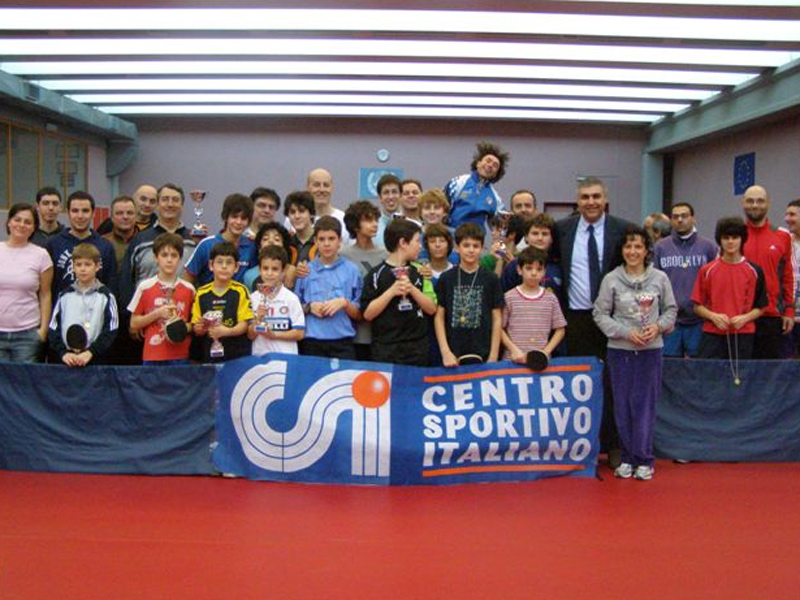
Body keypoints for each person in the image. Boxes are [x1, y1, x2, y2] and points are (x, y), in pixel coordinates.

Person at [554, 177, 635, 467]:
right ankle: (579, 446)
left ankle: (614, 445)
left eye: (596, 196)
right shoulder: (562, 229)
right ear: (577, 201)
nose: (591, 202)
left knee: (614, 384)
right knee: (579, 384)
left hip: (613, 318)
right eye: (585, 197)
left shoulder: (623, 229)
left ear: (605, 199)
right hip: (575, 319)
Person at [593, 225, 677, 481]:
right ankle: (627, 458)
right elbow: (599, 314)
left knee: (644, 406)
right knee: (622, 405)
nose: (633, 251)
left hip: (651, 352)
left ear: (646, 250)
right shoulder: (611, 279)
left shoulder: (660, 278)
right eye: (628, 246)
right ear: (621, 250)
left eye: (638, 246)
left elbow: (671, 310)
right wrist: (624, 332)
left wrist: (658, 327)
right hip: (620, 352)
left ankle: (644, 459)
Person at [362, 219, 437, 366]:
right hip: (386, 350)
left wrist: (412, 289)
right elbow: (367, 314)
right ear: (403, 243)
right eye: (417, 241)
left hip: (417, 349)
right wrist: (391, 292)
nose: (420, 246)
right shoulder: (375, 274)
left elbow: (431, 309)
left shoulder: (421, 271)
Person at [692, 217, 767, 360]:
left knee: (740, 373)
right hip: (713, 333)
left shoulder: (754, 271)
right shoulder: (707, 270)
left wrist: (745, 318)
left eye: (735, 237)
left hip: (743, 334)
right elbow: (697, 306)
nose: (730, 242)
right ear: (719, 240)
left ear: (742, 239)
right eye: (726, 238)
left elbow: (761, 306)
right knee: (712, 373)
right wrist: (713, 316)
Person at [652, 202, 718, 357]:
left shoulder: (708, 247)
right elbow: (654, 283)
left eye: (684, 216)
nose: (680, 220)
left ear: (693, 219)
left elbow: (715, 283)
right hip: (670, 320)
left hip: (699, 320)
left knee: (697, 364)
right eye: (675, 217)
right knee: (670, 364)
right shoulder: (660, 247)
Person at [434, 223, 503, 367]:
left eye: (475, 246)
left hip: (484, 353)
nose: (471, 250)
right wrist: (445, 352)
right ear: (457, 248)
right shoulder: (446, 278)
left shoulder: (491, 279)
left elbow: (497, 318)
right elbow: (439, 317)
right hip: (453, 354)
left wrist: (493, 355)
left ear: (482, 248)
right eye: (466, 245)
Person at [295, 216, 362, 359]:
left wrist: (345, 303)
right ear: (315, 242)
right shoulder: (305, 271)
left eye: (331, 239)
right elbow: (293, 307)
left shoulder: (352, 270)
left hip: (342, 341)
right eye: (322, 239)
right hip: (312, 341)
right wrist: (309, 307)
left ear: (340, 241)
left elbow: (360, 314)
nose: (326, 244)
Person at [740, 184, 795, 359]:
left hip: (771, 316)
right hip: (740, 316)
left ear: (768, 203)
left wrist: (789, 310)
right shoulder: (735, 236)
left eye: (760, 201)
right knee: (740, 370)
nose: (755, 205)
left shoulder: (782, 237)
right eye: (750, 201)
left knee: (768, 371)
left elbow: (787, 276)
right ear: (743, 203)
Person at [128, 233, 195, 365]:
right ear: (155, 257)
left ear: (180, 258)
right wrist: (157, 314)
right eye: (164, 255)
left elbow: (194, 324)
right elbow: (134, 323)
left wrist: (179, 326)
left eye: (174, 255)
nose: (169, 260)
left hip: (180, 355)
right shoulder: (145, 287)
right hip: (152, 355)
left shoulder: (189, 289)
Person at [48, 243, 119, 367]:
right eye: (78, 264)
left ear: (97, 266)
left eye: (87, 264)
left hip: (96, 360)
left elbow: (111, 329)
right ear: (73, 267)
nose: (82, 269)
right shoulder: (64, 296)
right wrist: (63, 353)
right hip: (68, 360)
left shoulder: (106, 296)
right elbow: (53, 328)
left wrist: (91, 352)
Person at [0, 203, 53, 362]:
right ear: (9, 222)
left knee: (24, 378)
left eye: (28, 222)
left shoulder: (41, 255)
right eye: (17, 220)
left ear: (34, 228)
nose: (22, 225)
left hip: (27, 335)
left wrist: (43, 330)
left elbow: (45, 294)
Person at [47, 190, 116, 302]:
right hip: (63, 309)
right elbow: (47, 288)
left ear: (93, 213)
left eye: (85, 211)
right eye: (75, 211)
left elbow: (111, 285)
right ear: (68, 213)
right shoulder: (53, 244)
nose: (80, 216)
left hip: (96, 309)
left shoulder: (105, 246)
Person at [191, 241, 254, 363]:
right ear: (211, 265)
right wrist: (200, 328)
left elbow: (244, 324)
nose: (224, 266)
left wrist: (227, 331)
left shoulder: (241, 291)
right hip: (209, 355)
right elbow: (196, 327)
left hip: (236, 355)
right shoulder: (201, 293)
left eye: (229, 262)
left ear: (236, 267)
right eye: (219, 262)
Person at [501, 246, 566, 363]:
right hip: (512, 360)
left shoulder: (551, 299)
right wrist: (513, 350)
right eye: (529, 268)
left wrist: (545, 352)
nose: (534, 273)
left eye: (539, 269)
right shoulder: (509, 297)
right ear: (519, 270)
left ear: (544, 271)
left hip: (540, 362)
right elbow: (499, 328)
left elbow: (560, 329)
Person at [341, 200, 388, 361]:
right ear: (355, 226)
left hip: (379, 333)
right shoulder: (343, 255)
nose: (374, 224)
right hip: (351, 333)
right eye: (368, 220)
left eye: (375, 219)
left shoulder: (386, 255)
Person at [184, 193, 256, 287]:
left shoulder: (251, 246)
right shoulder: (206, 245)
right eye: (234, 217)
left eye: (243, 218)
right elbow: (187, 279)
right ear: (226, 217)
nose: (238, 222)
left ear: (249, 221)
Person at [248, 245, 305, 356]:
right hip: (260, 357)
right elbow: (250, 335)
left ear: (283, 271)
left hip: (286, 357)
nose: (269, 273)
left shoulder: (291, 298)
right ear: (259, 270)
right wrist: (257, 319)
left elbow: (299, 333)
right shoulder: (253, 298)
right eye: (265, 268)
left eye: (275, 269)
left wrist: (274, 335)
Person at [445, 141, 508, 231]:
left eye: (495, 165)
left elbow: (501, 227)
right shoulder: (458, 182)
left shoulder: (495, 198)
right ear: (478, 163)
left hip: (476, 238)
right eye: (488, 161)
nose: (490, 165)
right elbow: (441, 208)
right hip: (452, 234)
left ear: (495, 174)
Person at [501, 213, 563, 301]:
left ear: (552, 238)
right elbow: (503, 297)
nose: (540, 238)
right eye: (535, 233)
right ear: (526, 237)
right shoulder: (514, 266)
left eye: (545, 234)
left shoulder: (559, 266)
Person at [243, 222, 297, 290]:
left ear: (284, 247)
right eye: (265, 239)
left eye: (277, 239)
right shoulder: (249, 275)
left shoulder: (292, 271)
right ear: (259, 248)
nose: (271, 241)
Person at [306, 168, 350, 244]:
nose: (322, 190)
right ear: (308, 188)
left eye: (326, 185)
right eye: (317, 185)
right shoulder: (295, 220)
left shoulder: (344, 220)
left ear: (332, 188)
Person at [102, 195, 138, 270]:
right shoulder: (102, 243)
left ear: (136, 217)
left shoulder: (145, 242)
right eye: (119, 213)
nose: (125, 217)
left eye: (130, 213)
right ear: (112, 218)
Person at [784, 199, 800, 356]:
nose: (787, 219)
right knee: (786, 363)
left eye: (792, 214)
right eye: (786, 214)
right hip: (788, 317)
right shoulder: (784, 241)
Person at [284, 191, 317, 264]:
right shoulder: (286, 245)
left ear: (311, 214)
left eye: (302, 211)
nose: (297, 216)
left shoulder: (322, 241)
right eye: (292, 212)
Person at [375, 173, 403, 244]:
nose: (390, 197)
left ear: (401, 195)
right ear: (380, 197)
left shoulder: (410, 225)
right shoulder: (373, 226)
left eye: (394, 192)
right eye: (386, 192)